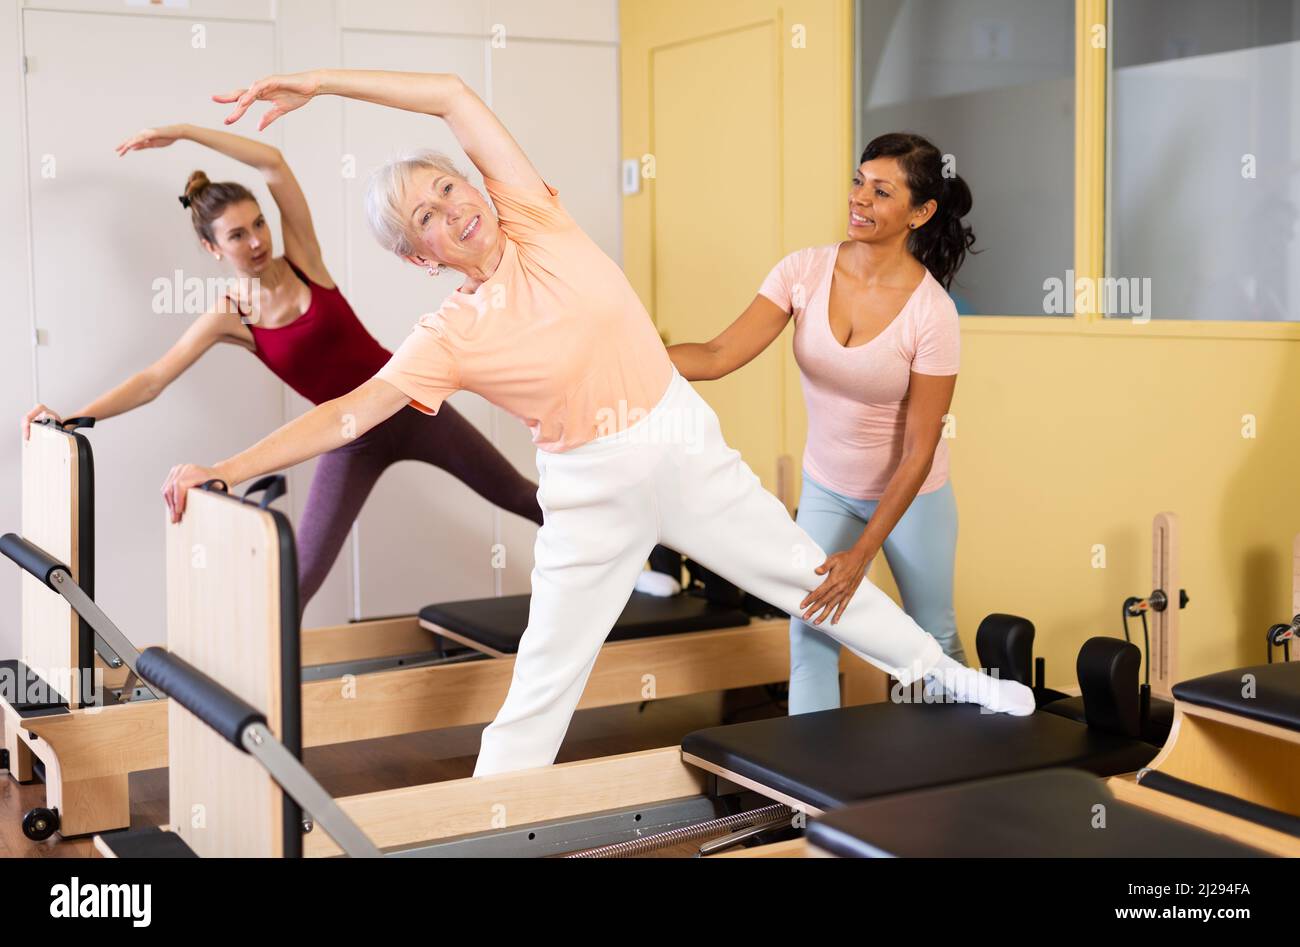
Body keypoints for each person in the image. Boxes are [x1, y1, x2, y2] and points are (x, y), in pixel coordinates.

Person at [161, 69, 1035, 778]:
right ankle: (486, 819)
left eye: (446, 185)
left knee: (812, 579)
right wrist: (224, 466)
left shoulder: (537, 217)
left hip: (684, 447)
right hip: (590, 490)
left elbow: (453, 95)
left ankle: (951, 678)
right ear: (420, 255)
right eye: (424, 217)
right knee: (544, 678)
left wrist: (320, 84)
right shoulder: (447, 335)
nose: (451, 207)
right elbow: (350, 413)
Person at [21, 122, 542, 607]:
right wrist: (74, 417)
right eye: (236, 235)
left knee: (522, 496)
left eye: (258, 224)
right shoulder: (231, 316)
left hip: (411, 407)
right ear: (211, 246)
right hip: (347, 439)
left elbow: (272, 163)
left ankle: (623, 550)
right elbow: (153, 379)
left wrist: (184, 132)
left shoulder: (305, 261)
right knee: (296, 585)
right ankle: (260, 704)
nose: (256, 242)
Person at [669, 132, 973, 715]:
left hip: (913, 498)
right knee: (809, 633)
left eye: (882, 191)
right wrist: (622, 358)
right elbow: (715, 355)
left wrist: (861, 555)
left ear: (921, 212)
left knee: (934, 638)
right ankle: (804, 803)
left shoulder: (932, 313)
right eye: (859, 181)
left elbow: (920, 449)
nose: (860, 198)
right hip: (828, 488)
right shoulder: (803, 271)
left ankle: (957, 772)